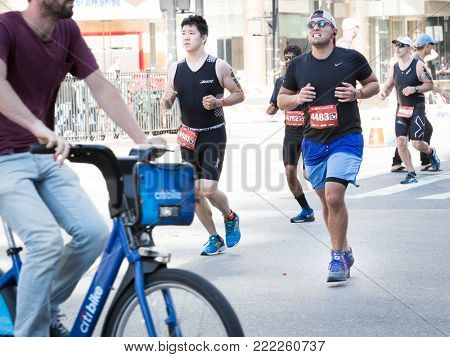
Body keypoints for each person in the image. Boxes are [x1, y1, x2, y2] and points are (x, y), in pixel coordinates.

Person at [0, 0, 165, 336]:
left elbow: (101, 86)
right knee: (45, 241)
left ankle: (39, 305)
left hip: (46, 157)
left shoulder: (67, 31)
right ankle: (29, 340)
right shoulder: (6, 28)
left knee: (93, 235)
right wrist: (38, 127)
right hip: (5, 160)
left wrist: (142, 139)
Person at [278, 10, 380, 283]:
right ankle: (344, 250)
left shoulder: (351, 58)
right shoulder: (298, 65)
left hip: (345, 137)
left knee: (335, 197)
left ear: (334, 31)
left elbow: (373, 85)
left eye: (323, 23)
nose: (316, 27)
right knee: (325, 201)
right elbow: (281, 100)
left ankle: (336, 258)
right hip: (313, 141)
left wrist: (357, 93)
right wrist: (299, 96)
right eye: (311, 24)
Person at [161, 15, 244, 256]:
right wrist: (166, 100)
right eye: (183, 33)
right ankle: (213, 237)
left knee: (207, 189)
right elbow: (166, 105)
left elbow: (239, 94)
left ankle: (229, 216)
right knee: (193, 190)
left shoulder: (218, 65)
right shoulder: (175, 68)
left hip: (213, 135)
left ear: (204, 37)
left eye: (191, 33)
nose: (186, 37)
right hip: (187, 136)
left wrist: (220, 101)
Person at [380, 36, 439, 184]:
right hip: (401, 109)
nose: (397, 48)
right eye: (396, 45)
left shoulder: (418, 65)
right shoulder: (394, 67)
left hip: (417, 109)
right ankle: (411, 173)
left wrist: (415, 88)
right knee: (400, 142)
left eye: (401, 45)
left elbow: (429, 84)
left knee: (417, 143)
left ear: (410, 48)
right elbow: (389, 85)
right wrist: (384, 93)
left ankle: (431, 152)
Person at [266, 45, 315, 223]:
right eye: (286, 57)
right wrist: (271, 108)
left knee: (309, 174)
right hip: (291, 133)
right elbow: (274, 105)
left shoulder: (308, 79)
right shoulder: (280, 82)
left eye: (293, 57)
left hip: (310, 131)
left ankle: (330, 201)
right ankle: (306, 209)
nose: (289, 60)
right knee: (289, 172)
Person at [390, 34, 448, 172]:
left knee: (412, 134)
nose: (432, 48)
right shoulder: (414, 61)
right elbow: (428, 84)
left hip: (411, 105)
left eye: (400, 45)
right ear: (427, 46)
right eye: (431, 45)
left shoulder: (417, 60)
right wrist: (443, 92)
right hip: (409, 105)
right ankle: (423, 160)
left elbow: (427, 83)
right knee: (415, 133)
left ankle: (398, 162)